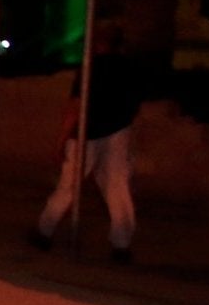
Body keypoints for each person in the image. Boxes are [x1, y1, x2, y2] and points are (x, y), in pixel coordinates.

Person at [31, 27, 143, 263]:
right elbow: (135, 103)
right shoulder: (128, 68)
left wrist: (60, 141)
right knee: (117, 187)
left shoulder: (90, 68)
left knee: (69, 185)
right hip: (118, 131)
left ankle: (44, 232)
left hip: (87, 133)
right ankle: (121, 245)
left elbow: (76, 106)